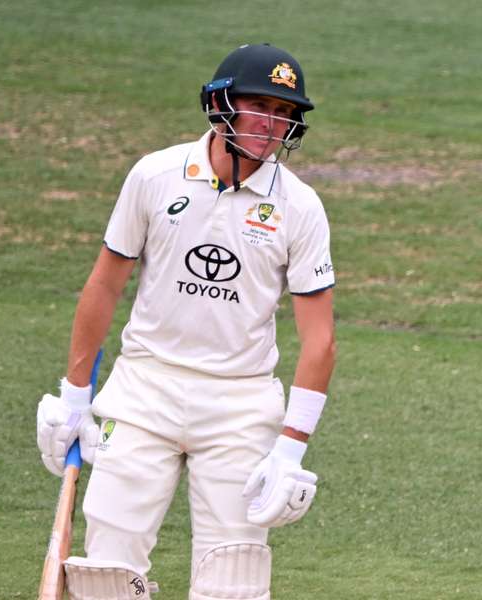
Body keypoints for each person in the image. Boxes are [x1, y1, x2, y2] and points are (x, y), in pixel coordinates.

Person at [35, 43, 336, 599]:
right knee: (106, 575)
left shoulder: (301, 207)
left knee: (234, 581)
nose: (272, 124)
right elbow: (104, 286)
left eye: (284, 112)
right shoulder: (155, 175)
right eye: (260, 106)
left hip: (241, 404)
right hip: (144, 388)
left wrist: (291, 447)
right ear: (220, 103)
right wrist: (74, 397)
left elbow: (320, 341)